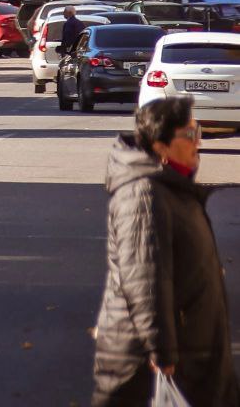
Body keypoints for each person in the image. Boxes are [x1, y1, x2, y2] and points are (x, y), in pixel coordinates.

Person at [92, 98, 239, 406]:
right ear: (160, 146)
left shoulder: (172, 188)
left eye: (197, 131)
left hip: (191, 351)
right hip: (151, 361)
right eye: (187, 134)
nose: (197, 141)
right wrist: (161, 350)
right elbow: (145, 276)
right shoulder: (144, 193)